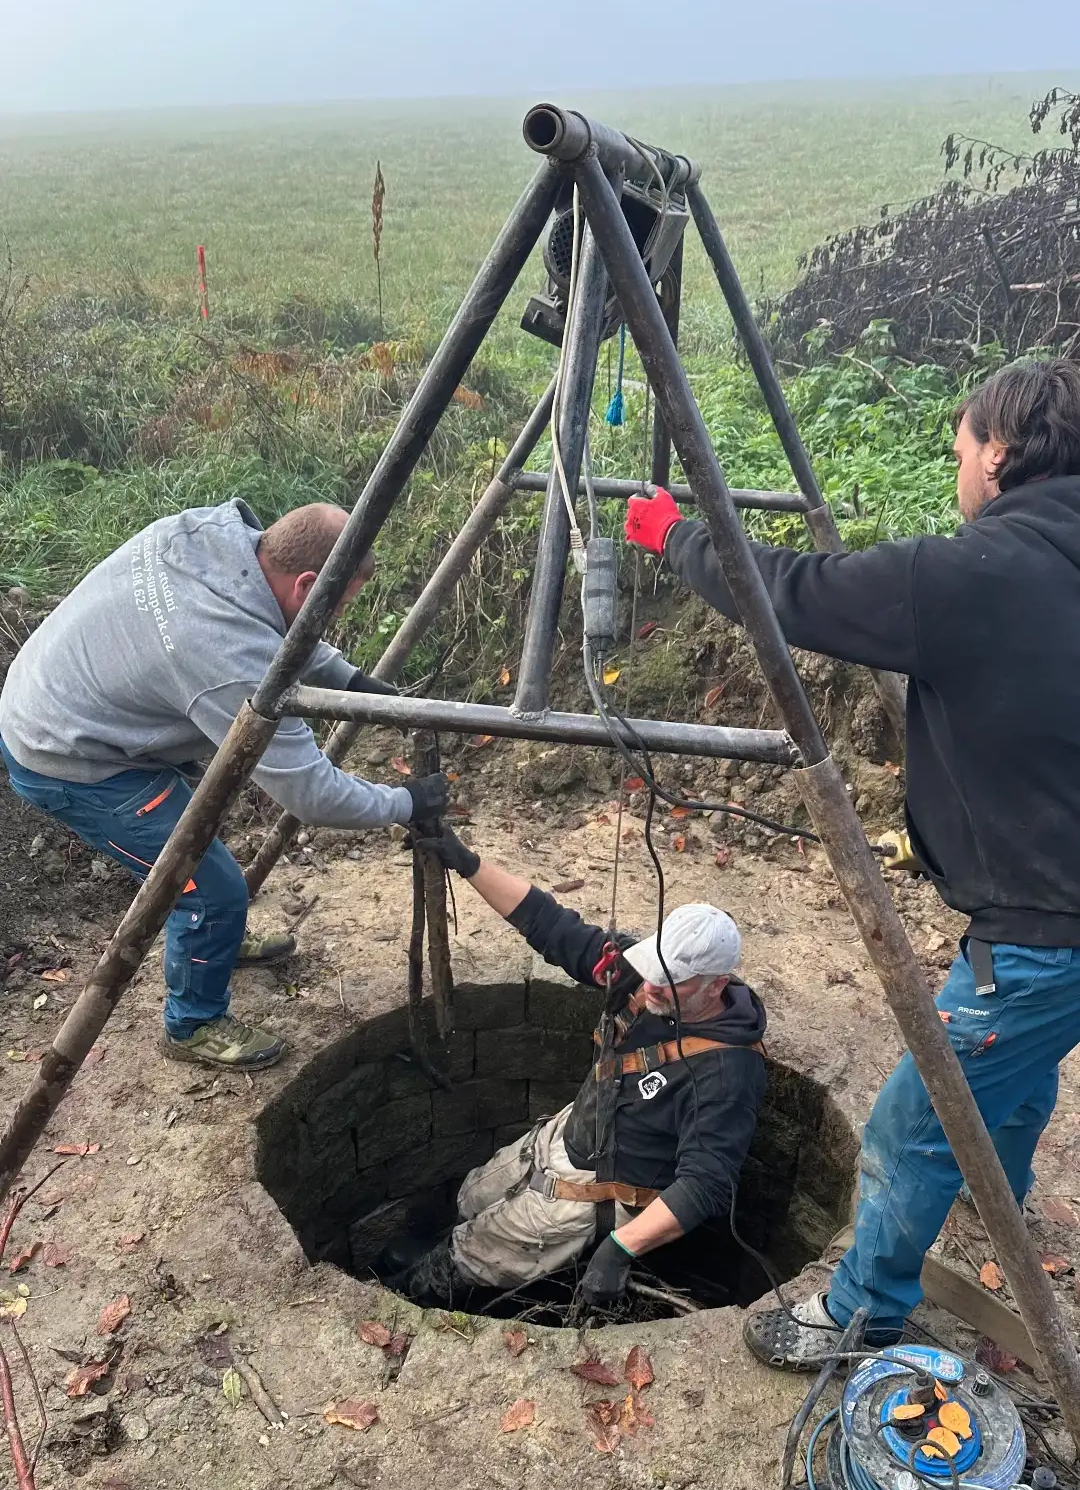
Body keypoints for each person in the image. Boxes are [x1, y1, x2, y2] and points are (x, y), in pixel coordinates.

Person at [622, 355, 1080, 1368]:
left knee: (915, 1119)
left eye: (960, 446)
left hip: (1046, 923)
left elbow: (789, 590)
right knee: (1020, 1067)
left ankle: (861, 1311)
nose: (956, 466)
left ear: (1000, 453)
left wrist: (672, 535)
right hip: (1053, 908)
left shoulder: (980, 574)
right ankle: (994, 1209)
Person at [0, 498, 448, 1070]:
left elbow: (283, 627)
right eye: (333, 607)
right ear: (307, 581)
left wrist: (353, 681)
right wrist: (406, 801)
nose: (330, 618)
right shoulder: (227, 655)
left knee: (204, 865)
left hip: (60, 692)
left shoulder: (213, 533)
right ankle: (192, 1026)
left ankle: (216, 942)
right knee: (208, 888)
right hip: (65, 755)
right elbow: (309, 793)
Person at [384, 827, 767, 1309]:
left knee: (471, 1255)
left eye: (673, 984)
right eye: (652, 970)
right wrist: (466, 861)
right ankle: (423, 1251)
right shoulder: (647, 977)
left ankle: (409, 1300)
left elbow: (706, 1182)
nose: (651, 987)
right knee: (469, 1198)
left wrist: (618, 1250)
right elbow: (550, 925)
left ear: (717, 985)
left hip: (598, 1192)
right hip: (569, 1134)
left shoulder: (728, 1075)